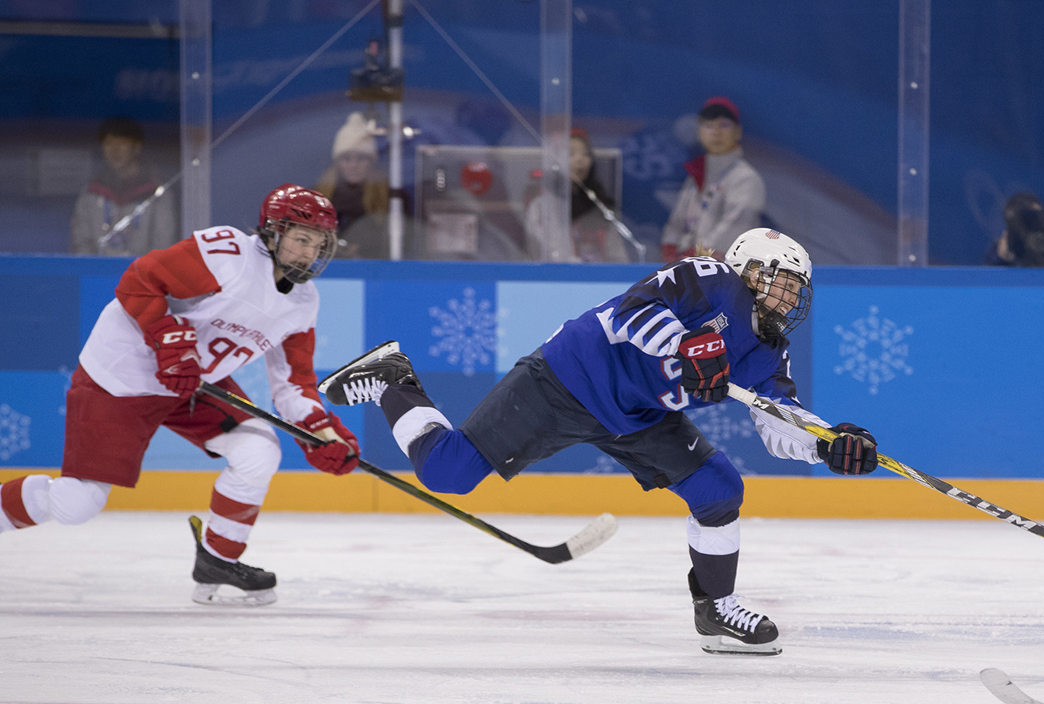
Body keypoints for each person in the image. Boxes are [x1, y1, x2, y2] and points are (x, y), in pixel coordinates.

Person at [317, 228, 880, 656]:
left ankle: (715, 610)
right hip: (568, 377)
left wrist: (825, 444)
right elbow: (632, 311)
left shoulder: (767, 351)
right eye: (779, 282)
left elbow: (779, 419)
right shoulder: (709, 279)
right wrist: (683, 348)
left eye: (794, 289)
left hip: (637, 413)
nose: (787, 299)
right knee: (447, 473)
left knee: (719, 488)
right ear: (746, 269)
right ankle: (395, 381)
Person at [1, 184, 360, 607]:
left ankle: (217, 560)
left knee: (259, 448)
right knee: (77, 504)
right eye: (301, 239)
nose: (308, 254)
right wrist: (169, 342)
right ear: (272, 231)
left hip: (191, 383)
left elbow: (293, 383)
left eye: (319, 244)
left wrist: (320, 433)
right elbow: (139, 280)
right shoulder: (229, 253)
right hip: (123, 375)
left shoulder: (303, 302)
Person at [660, 97, 765, 263]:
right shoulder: (695, 177)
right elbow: (676, 223)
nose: (716, 132)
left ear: (738, 131)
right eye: (709, 126)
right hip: (689, 270)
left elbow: (735, 227)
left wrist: (693, 255)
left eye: (724, 125)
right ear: (699, 133)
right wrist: (670, 251)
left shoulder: (746, 178)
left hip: (727, 272)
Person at [70, 116, 178, 257]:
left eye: (122, 143)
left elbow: (163, 248)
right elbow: (80, 245)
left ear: (137, 147)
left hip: (142, 276)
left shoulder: (158, 193)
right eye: (109, 143)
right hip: (97, 276)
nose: (115, 150)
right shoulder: (91, 193)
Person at [525, 128, 632, 263]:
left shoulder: (599, 206)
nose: (580, 159)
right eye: (571, 153)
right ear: (555, 161)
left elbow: (618, 258)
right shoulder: (541, 207)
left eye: (586, 154)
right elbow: (547, 254)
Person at [315, 112, 389, 258]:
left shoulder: (388, 198)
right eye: (347, 159)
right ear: (337, 163)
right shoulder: (318, 197)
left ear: (371, 163)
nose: (353, 165)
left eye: (361, 159)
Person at [984, 191, 1044, 267]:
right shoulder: (999, 251)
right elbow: (985, 284)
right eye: (1029, 222)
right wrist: (1002, 260)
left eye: (1040, 218)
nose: (1038, 227)